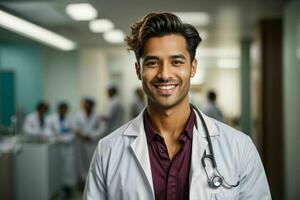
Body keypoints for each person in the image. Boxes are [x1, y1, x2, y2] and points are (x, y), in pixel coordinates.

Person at [84, 12, 271, 200]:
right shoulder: (107, 151)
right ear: (138, 70)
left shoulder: (239, 147)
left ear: (193, 67)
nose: (164, 74)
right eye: (152, 62)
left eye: (176, 62)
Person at [46, 102, 76, 198]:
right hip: (56, 148)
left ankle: (68, 189)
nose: (63, 111)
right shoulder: (51, 119)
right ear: (58, 109)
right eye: (62, 109)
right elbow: (47, 131)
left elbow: (73, 133)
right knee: (57, 170)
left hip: (68, 148)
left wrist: (64, 139)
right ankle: (58, 190)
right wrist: (55, 138)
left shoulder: (70, 120)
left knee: (68, 170)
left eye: (65, 109)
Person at [73, 98, 104, 187]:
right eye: (85, 105)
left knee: (92, 161)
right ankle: (83, 181)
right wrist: (81, 134)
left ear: (92, 106)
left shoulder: (97, 116)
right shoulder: (79, 115)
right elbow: (75, 127)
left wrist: (90, 135)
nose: (86, 107)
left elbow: (101, 129)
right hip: (81, 142)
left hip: (92, 142)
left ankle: (91, 183)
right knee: (81, 162)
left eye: (88, 106)